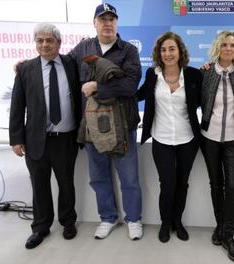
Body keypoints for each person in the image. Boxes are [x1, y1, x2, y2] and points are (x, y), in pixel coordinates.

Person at [68, 3, 143, 240]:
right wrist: (27, 65)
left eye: (112, 19)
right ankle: (108, 217)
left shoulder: (128, 50)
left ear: (117, 23)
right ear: (95, 23)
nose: (108, 23)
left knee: (129, 177)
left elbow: (130, 85)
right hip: (91, 128)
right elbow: (64, 67)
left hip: (122, 126)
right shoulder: (83, 48)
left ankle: (133, 219)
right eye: (103, 19)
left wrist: (98, 86)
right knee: (99, 176)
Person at [9, 22, 81, 249]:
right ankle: (40, 227)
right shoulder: (25, 69)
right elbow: (17, 105)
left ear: (59, 43)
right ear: (35, 43)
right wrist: (16, 138)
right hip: (36, 139)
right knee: (39, 186)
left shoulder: (72, 63)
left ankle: (68, 222)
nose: (44, 44)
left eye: (49, 40)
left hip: (65, 138)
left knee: (66, 184)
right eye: (40, 40)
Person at [137, 32, 202, 243]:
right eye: (163, 49)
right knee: (167, 184)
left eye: (172, 49)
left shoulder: (193, 75)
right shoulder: (151, 75)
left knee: (182, 183)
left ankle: (178, 222)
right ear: (158, 53)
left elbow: (207, 97)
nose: (168, 53)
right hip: (161, 138)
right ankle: (165, 223)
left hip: (187, 139)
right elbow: (136, 95)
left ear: (180, 51)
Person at [200, 31, 234, 263]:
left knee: (233, 187)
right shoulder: (206, 72)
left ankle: (228, 236)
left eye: (232, 45)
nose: (228, 48)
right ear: (218, 47)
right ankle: (220, 226)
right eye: (224, 45)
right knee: (216, 185)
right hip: (209, 137)